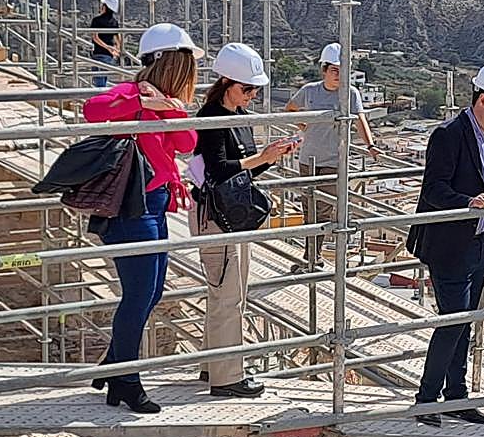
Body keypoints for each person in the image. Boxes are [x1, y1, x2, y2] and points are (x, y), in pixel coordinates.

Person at [82, 23, 202, 414]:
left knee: (151, 293)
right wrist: (140, 106)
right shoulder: (129, 93)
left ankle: (115, 367)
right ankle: (127, 380)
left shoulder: (167, 101)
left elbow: (186, 143)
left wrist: (168, 108)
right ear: (171, 64)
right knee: (137, 295)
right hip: (131, 208)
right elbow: (92, 110)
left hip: (155, 205)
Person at [406, 60, 484, 427]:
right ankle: (426, 399)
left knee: (466, 321)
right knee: (454, 321)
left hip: (480, 243)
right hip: (451, 245)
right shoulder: (449, 135)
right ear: (483, 99)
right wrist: (468, 203)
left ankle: (455, 397)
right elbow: (434, 189)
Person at [193, 43, 298, 398]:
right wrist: (261, 157)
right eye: (247, 88)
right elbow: (219, 169)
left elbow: (246, 171)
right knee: (228, 296)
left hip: (232, 215)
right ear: (225, 82)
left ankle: (213, 368)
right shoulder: (210, 118)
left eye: (255, 89)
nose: (252, 95)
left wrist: (272, 156)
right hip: (216, 216)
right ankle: (227, 379)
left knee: (226, 293)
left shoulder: (238, 118)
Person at [285, 42, 380, 264]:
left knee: (323, 209)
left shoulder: (350, 94)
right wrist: (304, 126)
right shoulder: (309, 91)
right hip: (308, 159)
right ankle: (310, 256)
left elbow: (360, 120)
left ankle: (312, 257)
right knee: (308, 208)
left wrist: (370, 145)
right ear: (324, 70)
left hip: (333, 161)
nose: (339, 75)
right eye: (335, 70)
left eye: (343, 70)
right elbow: (290, 109)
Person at [89, 0, 121, 88]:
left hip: (99, 53)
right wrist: (116, 49)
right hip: (109, 55)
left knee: (99, 82)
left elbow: (95, 37)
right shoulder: (114, 22)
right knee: (104, 79)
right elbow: (118, 37)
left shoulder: (97, 20)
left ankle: (100, 101)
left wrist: (108, 48)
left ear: (105, 7)